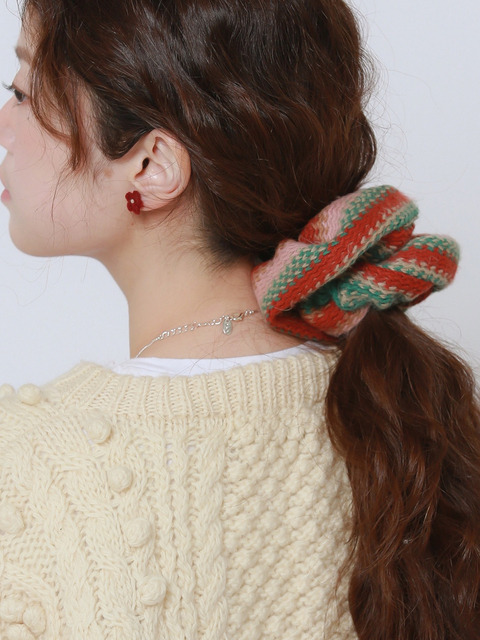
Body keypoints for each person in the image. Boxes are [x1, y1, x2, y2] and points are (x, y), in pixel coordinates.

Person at [0, 0, 478, 638]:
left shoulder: (26, 469)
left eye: (23, 93)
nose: (4, 123)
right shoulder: (417, 416)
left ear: (152, 167)